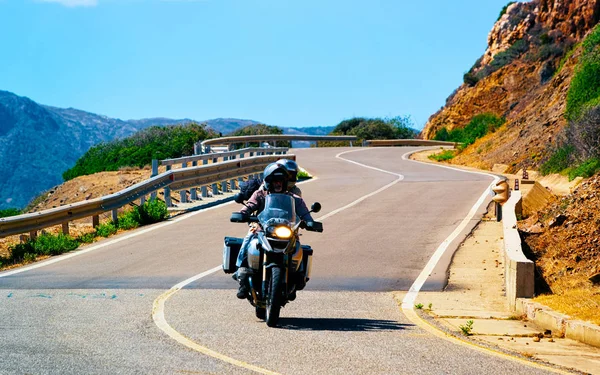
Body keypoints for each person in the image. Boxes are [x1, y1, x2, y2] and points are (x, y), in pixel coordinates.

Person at [234, 163, 313, 299]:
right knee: (248, 239)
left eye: (280, 181)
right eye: (275, 181)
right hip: (262, 229)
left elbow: (304, 212)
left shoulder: (294, 198)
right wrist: (243, 213)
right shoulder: (260, 194)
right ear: (269, 182)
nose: (278, 184)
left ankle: (299, 276)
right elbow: (250, 205)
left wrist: (310, 222)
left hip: (286, 230)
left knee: (298, 246)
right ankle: (241, 272)